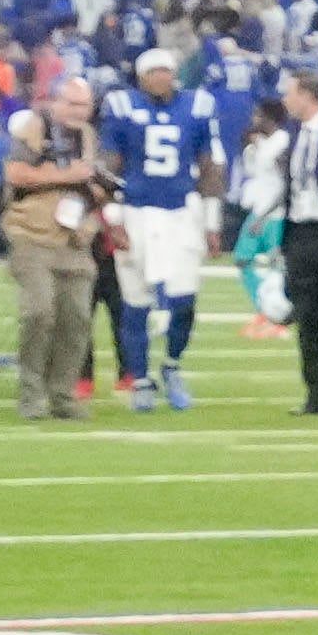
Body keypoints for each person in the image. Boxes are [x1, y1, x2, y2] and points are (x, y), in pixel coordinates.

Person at [0, 66, 115, 421]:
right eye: (72, 103)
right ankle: (31, 395)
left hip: (75, 238)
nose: (78, 112)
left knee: (77, 318)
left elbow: (90, 183)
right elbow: (15, 174)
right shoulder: (34, 128)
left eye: (84, 105)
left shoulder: (88, 136)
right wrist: (67, 176)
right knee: (38, 312)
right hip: (32, 234)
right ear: (56, 100)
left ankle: (63, 394)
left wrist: (99, 195)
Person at [113, 41, 220, 410]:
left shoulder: (198, 105)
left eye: (167, 71)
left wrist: (212, 220)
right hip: (137, 211)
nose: (162, 78)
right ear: (141, 78)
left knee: (184, 299)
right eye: (154, 72)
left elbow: (210, 163)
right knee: (135, 300)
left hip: (181, 211)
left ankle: (172, 364)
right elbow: (109, 166)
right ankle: (141, 378)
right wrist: (113, 218)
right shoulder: (121, 105)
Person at [256, 64, 318, 412]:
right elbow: (293, 183)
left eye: (289, 92)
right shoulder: (292, 134)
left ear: (307, 95)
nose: (284, 99)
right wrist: (266, 216)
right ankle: (314, 393)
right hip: (301, 232)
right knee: (305, 313)